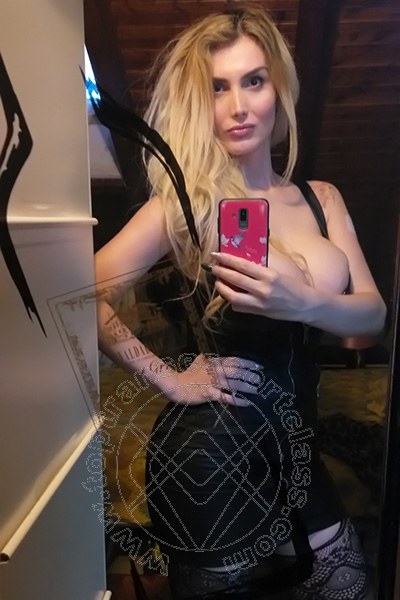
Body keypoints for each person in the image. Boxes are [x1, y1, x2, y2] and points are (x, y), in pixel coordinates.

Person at [95, 4, 386, 599]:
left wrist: (304, 302)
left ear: (279, 89)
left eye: (253, 80)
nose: (238, 106)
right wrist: (170, 379)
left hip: (298, 445)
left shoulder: (321, 197)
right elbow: (83, 297)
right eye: (217, 87)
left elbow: (370, 319)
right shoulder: (186, 204)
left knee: (349, 585)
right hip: (210, 451)